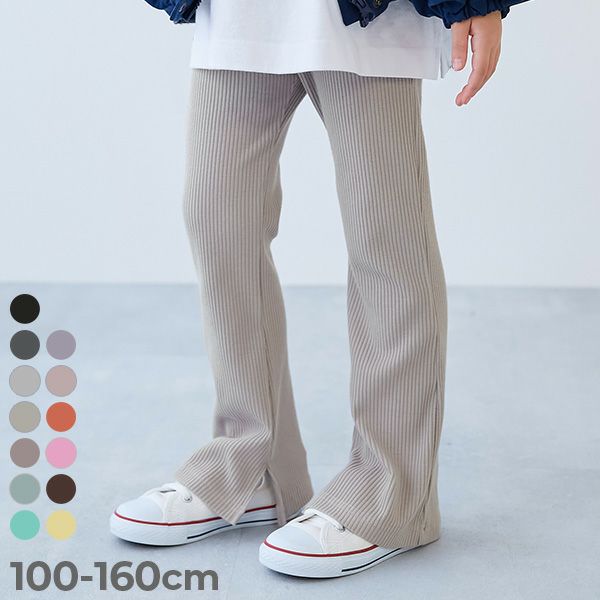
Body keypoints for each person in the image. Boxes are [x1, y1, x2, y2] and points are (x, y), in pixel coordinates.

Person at [110, 0, 527, 578]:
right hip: (242, 14)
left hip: (369, 19)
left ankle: (393, 494)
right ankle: (253, 469)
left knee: (386, 237)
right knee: (215, 216)